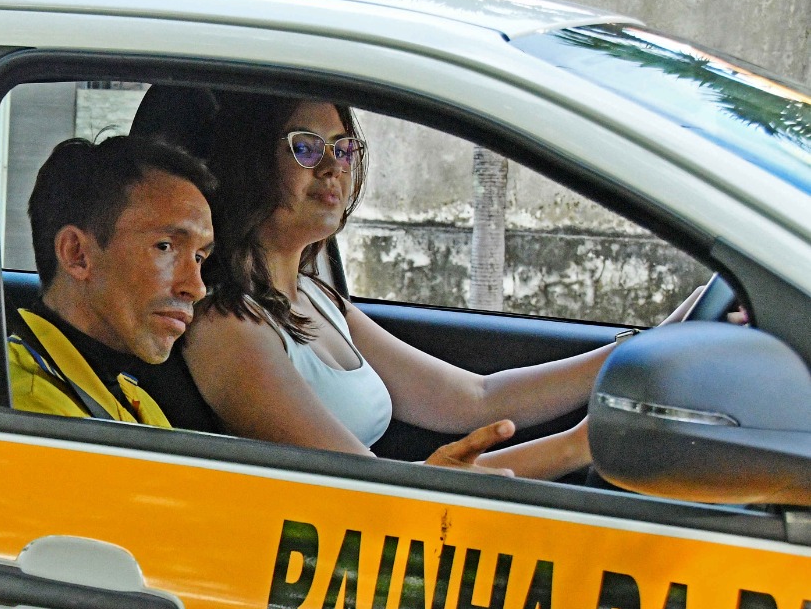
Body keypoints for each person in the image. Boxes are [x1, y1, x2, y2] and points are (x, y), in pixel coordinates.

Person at [183, 95, 698, 477]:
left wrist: (648, 350)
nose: (331, 167)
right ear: (248, 161)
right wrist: (577, 447)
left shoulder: (316, 298)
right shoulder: (228, 328)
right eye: (305, 147)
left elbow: (476, 397)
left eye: (343, 149)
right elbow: (373, 491)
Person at [8, 136, 220, 429]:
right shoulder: (32, 412)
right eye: (165, 247)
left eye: (199, 257)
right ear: (77, 254)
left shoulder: (129, 396)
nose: (196, 288)